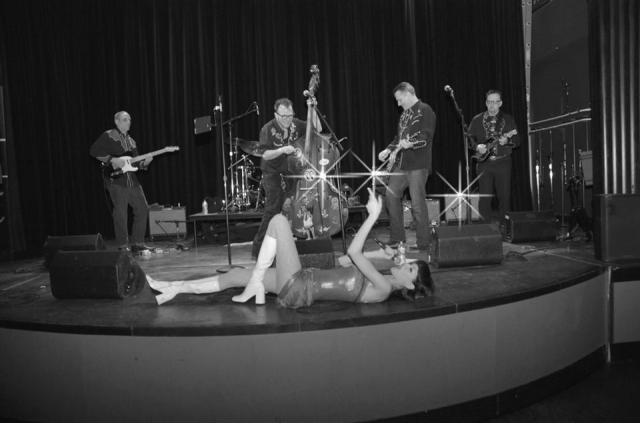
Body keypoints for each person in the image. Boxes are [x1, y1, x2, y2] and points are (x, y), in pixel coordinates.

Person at [148, 188, 434, 308]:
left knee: (279, 222)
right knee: (234, 275)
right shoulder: (379, 276)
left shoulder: (383, 290)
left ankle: (255, 284)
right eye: (410, 263)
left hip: (299, 287)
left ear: (410, 285)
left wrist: (372, 217)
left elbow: (354, 253)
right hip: (301, 278)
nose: (405, 264)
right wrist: (378, 254)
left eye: (410, 268)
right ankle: (172, 288)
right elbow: (347, 261)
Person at [250, 97, 322, 259]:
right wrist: (282, 150)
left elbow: (317, 128)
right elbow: (265, 154)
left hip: (290, 172)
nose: (287, 119)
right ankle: (258, 250)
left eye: (290, 115)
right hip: (272, 172)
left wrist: (313, 108)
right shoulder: (267, 129)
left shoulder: (295, 124)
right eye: (283, 116)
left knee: (294, 205)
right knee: (273, 208)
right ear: (276, 115)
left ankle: (289, 244)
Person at [378, 82, 436, 251]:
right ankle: (397, 239)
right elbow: (398, 138)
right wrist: (388, 150)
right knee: (391, 196)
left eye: (400, 99)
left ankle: (424, 242)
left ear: (409, 94)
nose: (398, 103)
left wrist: (411, 143)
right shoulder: (404, 115)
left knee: (417, 203)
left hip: (418, 164)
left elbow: (426, 135)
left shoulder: (425, 110)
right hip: (402, 164)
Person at [90, 111, 153, 253]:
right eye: (125, 119)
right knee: (121, 213)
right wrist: (112, 159)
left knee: (142, 208)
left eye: (129, 119)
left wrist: (145, 163)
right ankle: (123, 245)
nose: (128, 122)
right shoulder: (109, 135)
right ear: (116, 121)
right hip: (116, 180)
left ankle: (138, 243)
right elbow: (94, 151)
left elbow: (136, 164)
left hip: (132, 180)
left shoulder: (132, 141)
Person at [467, 90, 520, 224]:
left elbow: (517, 140)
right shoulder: (477, 119)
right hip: (484, 164)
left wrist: (507, 141)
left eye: (495, 102)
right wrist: (477, 146)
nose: (492, 105)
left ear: (500, 103)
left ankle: (505, 227)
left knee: (504, 197)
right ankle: (485, 228)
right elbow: (469, 139)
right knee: (484, 198)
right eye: (490, 102)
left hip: (503, 162)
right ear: (486, 103)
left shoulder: (508, 119)